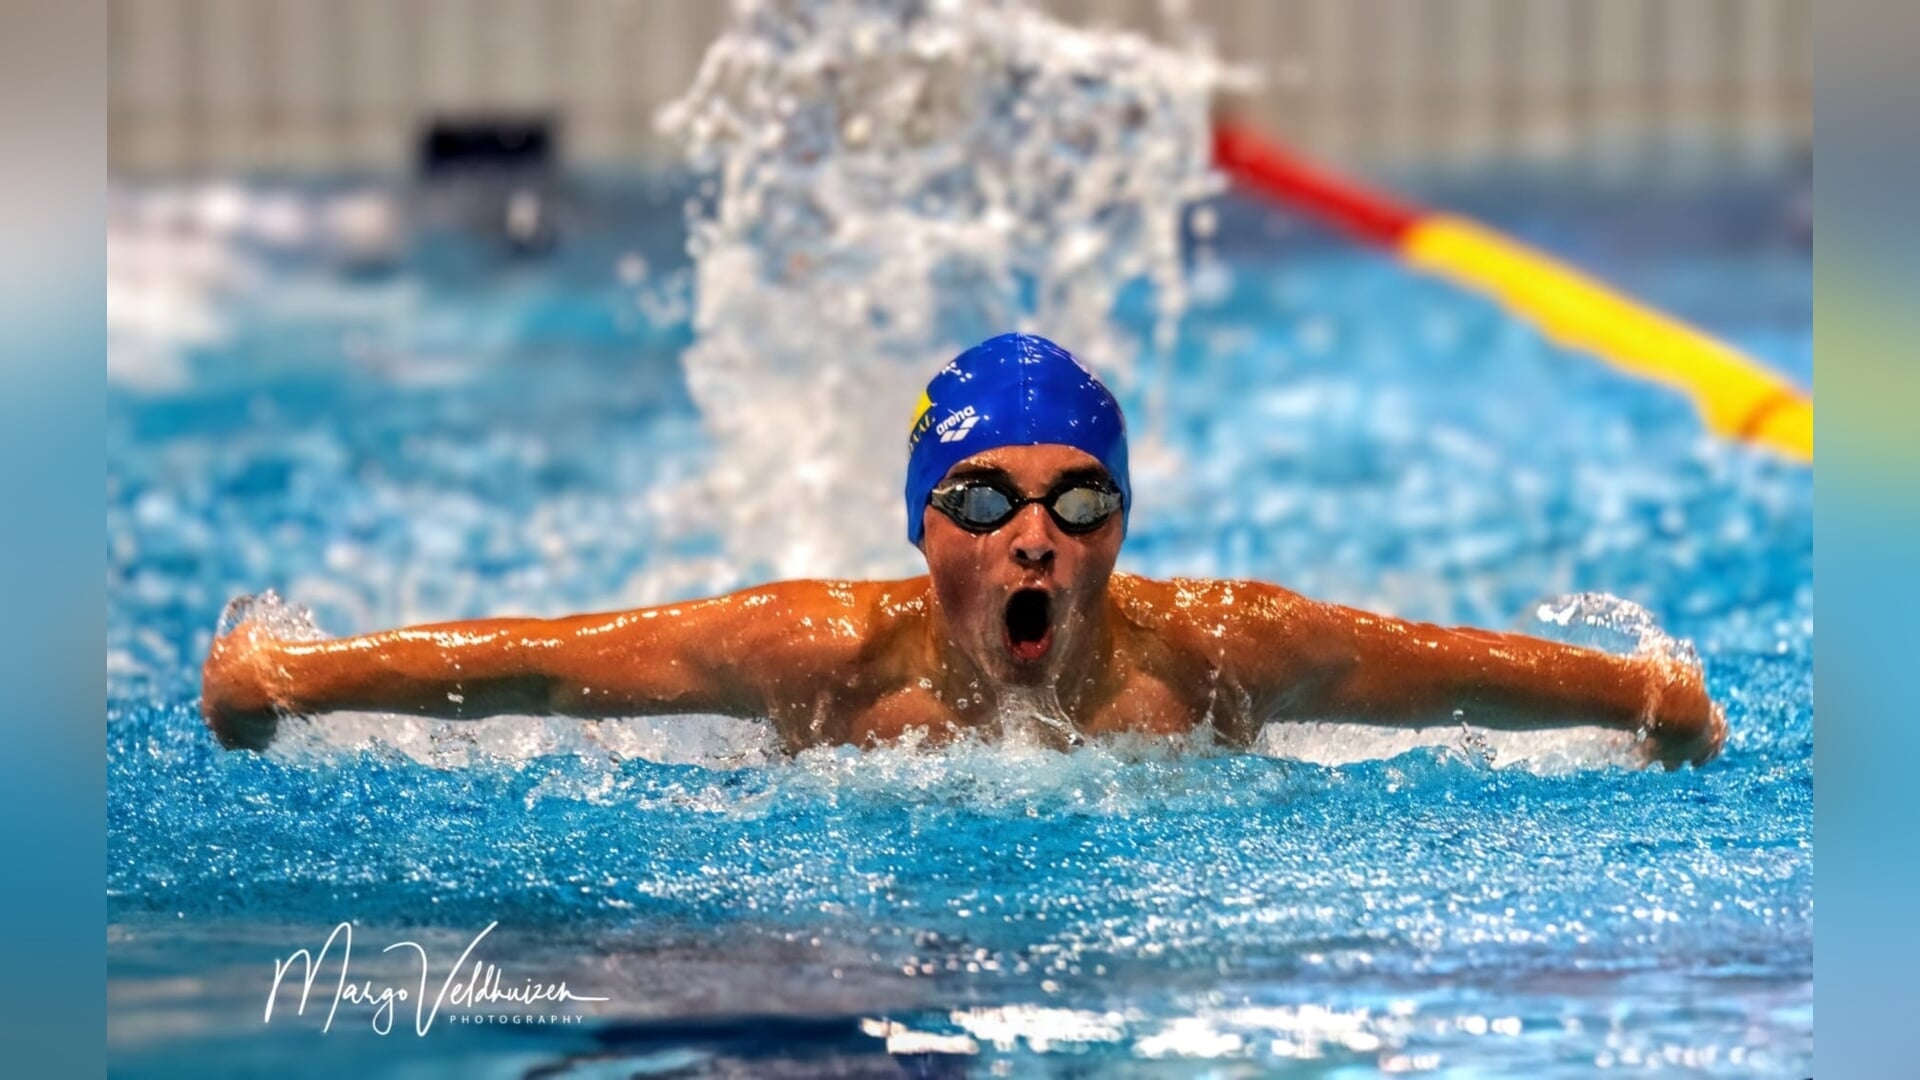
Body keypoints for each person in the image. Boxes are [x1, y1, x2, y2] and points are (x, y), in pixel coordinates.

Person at [200, 333, 1725, 767]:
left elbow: (1444, 675)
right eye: (987, 503)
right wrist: (291, 677)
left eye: (1079, 504)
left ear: (1121, 526)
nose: (1035, 539)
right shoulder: (813, 654)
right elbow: (539, 668)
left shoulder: (1214, 655)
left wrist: (1641, 698)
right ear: (924, 525)